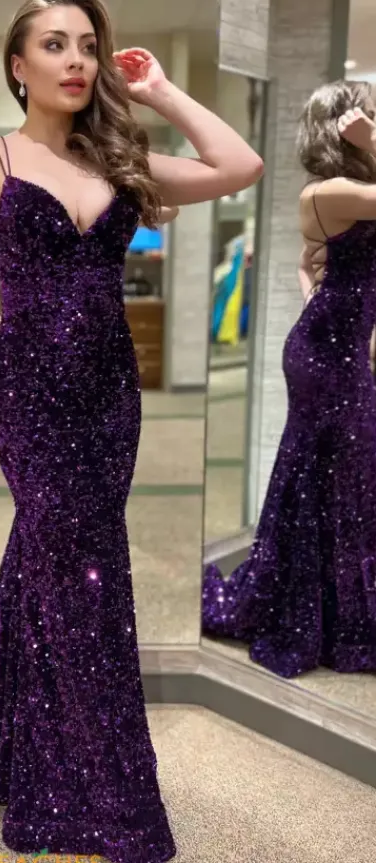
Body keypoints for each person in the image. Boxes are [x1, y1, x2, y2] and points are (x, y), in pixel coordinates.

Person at [0, 1, 262, 859]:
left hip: (111, 397)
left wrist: (160, 91)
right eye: (54, 45)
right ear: (19, 66)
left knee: (74, 566)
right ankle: (98, 781)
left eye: (87, 47)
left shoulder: (121, 160)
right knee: (78, 576)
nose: (76, 60)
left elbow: (241, 165)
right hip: (29, 395)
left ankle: (35, 738)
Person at [203, 80, 376, 680]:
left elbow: (312, 266)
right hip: (327, 357)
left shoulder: (352, 194)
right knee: (332, 471)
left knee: (340, 472)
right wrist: (372, 143)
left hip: (334, 348)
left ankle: (332, 605)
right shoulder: (330, 191)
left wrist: (313, 293)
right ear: (343, 128)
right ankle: (317, 610)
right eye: (369, 115)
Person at [0, 203, 183, 642]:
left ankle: (52, 630)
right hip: (49, 377)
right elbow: (167, 209)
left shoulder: (34, 203)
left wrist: (8, 322)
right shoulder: (20, 196)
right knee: (51, 512)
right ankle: (56, 637)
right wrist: (5, 324)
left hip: (95, 380)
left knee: (61, 512)